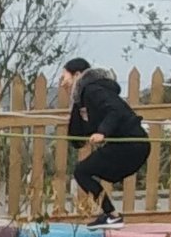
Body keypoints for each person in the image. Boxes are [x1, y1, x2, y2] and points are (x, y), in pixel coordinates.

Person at [60, 57, 150, 220]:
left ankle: (112, 215)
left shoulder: (93, 90)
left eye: (64, 77)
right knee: (83, 171)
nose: (62, 83)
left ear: (77, 75)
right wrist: (74, 105)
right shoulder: (83, 98)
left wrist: (102, 132)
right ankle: (111, 215)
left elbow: (115, 111)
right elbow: (78, 137)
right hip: (130, 147)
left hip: (131, 144)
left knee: (82, 171)